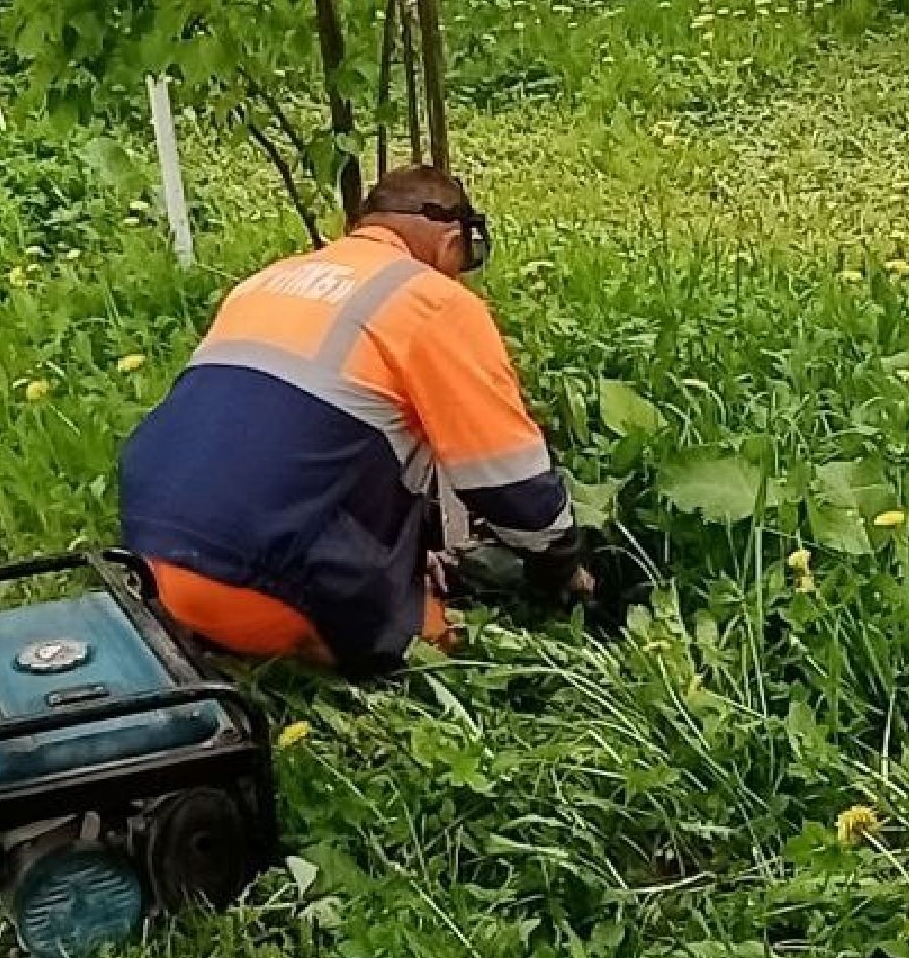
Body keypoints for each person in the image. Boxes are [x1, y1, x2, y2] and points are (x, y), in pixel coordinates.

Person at [118, 166, 590, 676]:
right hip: (258, 582)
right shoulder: (434, 301)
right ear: (452, 241)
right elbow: (508, 482)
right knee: (450, 641)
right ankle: (324, 638)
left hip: (151, 556)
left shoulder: (267, 280)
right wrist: (561, 567)